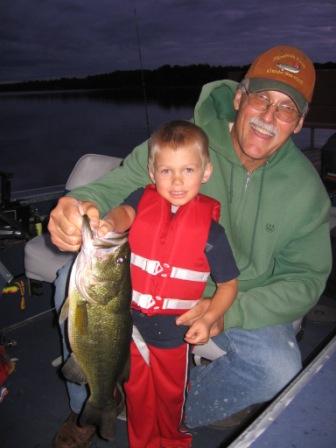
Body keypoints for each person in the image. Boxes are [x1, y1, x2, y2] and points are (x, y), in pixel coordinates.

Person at [49, 45, 332, 447]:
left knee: (279, 368)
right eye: (262, 99)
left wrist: (226, 310)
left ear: (299, 122)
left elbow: (306, 280)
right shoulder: (183, 143)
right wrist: (79, 206)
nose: (269, 117)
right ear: (239, 98)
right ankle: (88, 405)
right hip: (157, 281)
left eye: (286, 108)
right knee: (68, 284)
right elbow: (115, 186)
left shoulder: (307, 193)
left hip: (239, 297)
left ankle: (171, 407)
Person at [99, 120, 239, 448]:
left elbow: (229, 285)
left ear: (206, 172)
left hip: (174, 333)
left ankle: (173, 442)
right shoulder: (140, 199)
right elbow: (124, 214)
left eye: (188, 170)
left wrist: (207, 317)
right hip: (129, 328)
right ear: (152, 171)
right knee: (137, 395)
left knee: (170, 399)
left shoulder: (212, 233)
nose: (177, 180)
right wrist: (108, 223)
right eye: (166, 171)